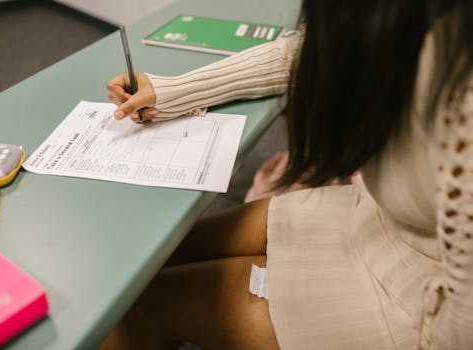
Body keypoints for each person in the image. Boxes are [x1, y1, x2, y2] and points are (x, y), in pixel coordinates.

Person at [103, 0, 473, 348]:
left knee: (142, 305)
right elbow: (314, 51)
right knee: (152, 260)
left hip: (423, 309)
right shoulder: (406, 19)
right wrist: (172, 92)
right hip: (379, 221)